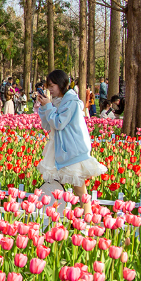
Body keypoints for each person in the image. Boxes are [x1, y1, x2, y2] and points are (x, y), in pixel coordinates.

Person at [35, 70, 107, 214]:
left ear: (61, 84)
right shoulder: (57, 101)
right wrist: (44, 107)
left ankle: (87, 219)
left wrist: (48, 106)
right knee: (55, 187)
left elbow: (58, 123)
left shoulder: (71, 102)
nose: (49, 89)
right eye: (48, 86)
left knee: (79, 189)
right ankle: (55, 216)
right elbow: (48, 125)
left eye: (52, 85)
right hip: (58, 150)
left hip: (71, 151)